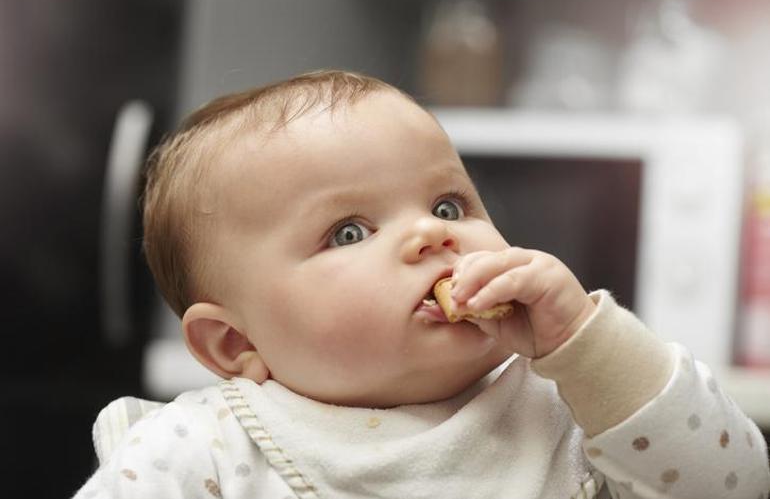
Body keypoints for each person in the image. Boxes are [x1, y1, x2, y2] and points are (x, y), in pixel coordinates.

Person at [73, 70, 770, 499]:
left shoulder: (567, 407)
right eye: (349, 231)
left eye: (449, 205)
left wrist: (586, 345)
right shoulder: (203, 449)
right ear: (233, 342)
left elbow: (732, 484)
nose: (432, 235)